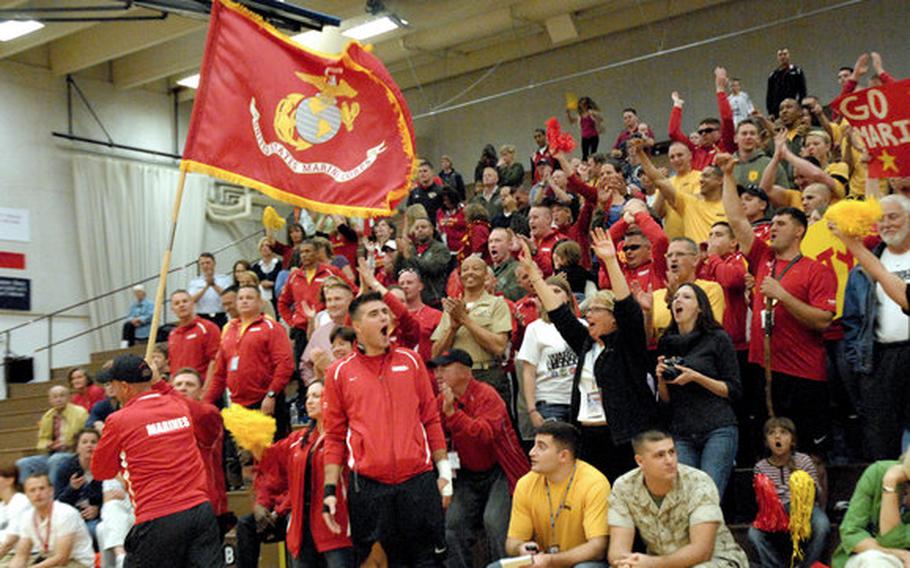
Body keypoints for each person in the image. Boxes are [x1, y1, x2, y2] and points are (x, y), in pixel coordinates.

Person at [719, 152, 837, 457]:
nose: (773, 228)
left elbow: (823, 321)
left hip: (804, 375)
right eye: (773, 224)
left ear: (799, 230)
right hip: (765, 370)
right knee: (770, 454)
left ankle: (814, 506)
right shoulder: (762, 257)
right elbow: (735, 219)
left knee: (810, 454)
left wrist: (783, 295)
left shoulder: (817, 269)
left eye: (782, 224)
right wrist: (728, 176)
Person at [519, 229, 660, 482]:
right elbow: (560, 314)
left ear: (614, 320)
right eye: (588, 310)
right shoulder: (586, 344)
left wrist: (610, 261)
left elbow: (628, 308)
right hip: (587, 438)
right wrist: (535, 277)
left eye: (596, 310)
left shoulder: (628, 345)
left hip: (623, 438)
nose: (588, 315)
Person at [322, 292, 452, 566]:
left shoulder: (412, 361)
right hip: (369, 488)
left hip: (418, 483)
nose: (384, 317)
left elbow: (431, 419)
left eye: (385, 312)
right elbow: (333, 437)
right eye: (374, 314)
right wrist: (329, 492)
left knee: (430, 561)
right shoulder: (339, 373)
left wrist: (445, 473)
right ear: (357, 327)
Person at [91, 355, 223, 567]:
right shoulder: (177, 405)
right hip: (200, 511)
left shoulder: (118, 420)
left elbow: (100, 471)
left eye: (112, 384)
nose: (111, 389)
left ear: (124, 387)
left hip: (158, 516)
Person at [430, 349, 529, 567]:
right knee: (452, 525)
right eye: (436, 369)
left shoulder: (487, 395)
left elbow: (485, 434)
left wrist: (453, 416)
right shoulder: (440, 401)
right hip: (465, 475)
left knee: (494, 521)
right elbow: (434, 439)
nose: (437, 374)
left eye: (444, 368)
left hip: (499, 472)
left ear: (465, 371)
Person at [608, 430, 749, 567]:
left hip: (716, 560)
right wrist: (626, 563)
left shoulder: (699, 482)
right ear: (640, 461)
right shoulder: (624, 486)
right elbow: (618, 551)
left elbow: (702, 551)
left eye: (672, 452)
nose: (669, 460)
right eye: (660, 455)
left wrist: (652, 564)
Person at [839, 195, 910, 459]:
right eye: (881, 219)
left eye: (894, 216)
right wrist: (862, 365)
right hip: (880, 359)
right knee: (881, 437)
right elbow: (852, 320)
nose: (886, 224)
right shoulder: (863, 268)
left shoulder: (870, 264)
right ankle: (889, 496)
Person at [655, 282, 741, 496]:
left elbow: (733, 390)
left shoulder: (718, 338)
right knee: (685, 498)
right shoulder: (666, 342)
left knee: (707, 497)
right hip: (682, 430)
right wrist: (661, 380)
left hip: (717, 427)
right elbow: (665, 400)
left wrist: (697, 377)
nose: (678, 301)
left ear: (700, 307)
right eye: (675, 298)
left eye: (686, 297)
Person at [497, 421, 609, 568]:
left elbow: (597, 548)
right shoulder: (525, 483)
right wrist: (520, 548)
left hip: (579, 562)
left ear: (563, 456)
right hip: (541, 562)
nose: (531, 452)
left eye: (541, 447)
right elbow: (512, 542)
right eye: (534, 445)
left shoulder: (594, 483)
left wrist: (552, 560)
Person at [206, 286, 294, 437]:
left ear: (260, 302)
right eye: (241, 298)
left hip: (266, 401)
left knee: (272, 453)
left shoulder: (271, 327)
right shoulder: (229, 330)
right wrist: (206, 402)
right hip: (238, 405)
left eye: (249, 298)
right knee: (244, 456)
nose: (244, 301)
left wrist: (271, 395)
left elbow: (285, 364)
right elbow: (219, 374)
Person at [748, 417, 830, 568]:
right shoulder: (761, 466)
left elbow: (817, 493)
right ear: (767, 442)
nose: (777, 437)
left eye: (783, 433)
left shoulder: (803, 460)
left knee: (822, 525)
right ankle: (775, 565)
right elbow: (761, 500)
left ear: (792, 441)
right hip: (775, 512)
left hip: (805, 509)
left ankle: (807, 565)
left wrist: (805, 486)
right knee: (754, 534)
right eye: (772, 433)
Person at [432, 256, 513, 407]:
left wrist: (465, 320)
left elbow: (499, 347)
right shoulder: (452, 307)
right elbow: (435, 353)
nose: (470, 273)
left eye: (476, 269)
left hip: (488, 375)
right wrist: (453, 328)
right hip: (457, 378)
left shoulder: (497, 304)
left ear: (486, 275)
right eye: (465, 269)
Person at [518, 275, 579, 426]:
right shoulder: (535, 328)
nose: (552, 295)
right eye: (548, 291)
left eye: (557, 291)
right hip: (550, 402)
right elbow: (528, 372)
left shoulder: (582, 325)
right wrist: (532, 410)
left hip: (580, 401)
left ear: (568, 297)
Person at [832, 450, 910, 568]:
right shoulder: (879, 472)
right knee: (875, 561)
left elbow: (891, 539)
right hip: (865, 556)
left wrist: (890, 484)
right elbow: (851, 532)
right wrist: (890, 483)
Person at [278, 238, 347, 366]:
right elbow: (282, 303)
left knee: (328, 363)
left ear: (317, 253)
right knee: (304, 367)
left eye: (308, 251)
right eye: (302, 252)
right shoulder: (294, 276)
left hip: (326, 326)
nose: (304, 255)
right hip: (301, 330)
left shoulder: (331, 272)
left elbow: (351, 291)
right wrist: (292, 321)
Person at [7, 473, 94, 568]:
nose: (37, 494)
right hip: (49, 561)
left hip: (77, 563)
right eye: (32, 490)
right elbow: (21, 556)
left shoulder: (65, 513)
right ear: (27, 495)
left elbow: (61, 558)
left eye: (42, 488)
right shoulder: (27, 517)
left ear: (51, 490)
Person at [16, 386, 88, 488]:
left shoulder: (80, 412)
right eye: (55, 397)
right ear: (50, 400)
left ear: (69, 397)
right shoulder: (48, 416)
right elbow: (42, 439)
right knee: (23, 463)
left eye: (62, 396)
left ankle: (51, 495)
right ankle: (28, 497)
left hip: (73, 454)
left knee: (55, 460)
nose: (58, 399)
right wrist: (48, 444)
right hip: (52, 454)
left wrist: (67, 443)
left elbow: (85, 436)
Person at [667, 67, 736, 171]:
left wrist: (720, 90)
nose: (703, 134)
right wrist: (677, 106)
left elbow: (727, 118)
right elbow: (673, 132)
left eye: (708, 130)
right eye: (700, 132)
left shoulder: (726, 145)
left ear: (719, 132)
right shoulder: (694, 151)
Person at [54, 429, 103, 541]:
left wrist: (98, 509)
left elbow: (113, 497)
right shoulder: (66, 468)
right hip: (71, 518)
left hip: (97, 518)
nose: (89, 445)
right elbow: (57, 504)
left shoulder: (105, 466)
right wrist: (72, 488)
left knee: (93, 530)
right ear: (77, 448)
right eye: (84, 442)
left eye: (93, 442)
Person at [396, 216, 452, 308]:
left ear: (431, 230)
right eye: (417, 228)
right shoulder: (411, 250)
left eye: (423, 227)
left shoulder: (440, 249)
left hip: (434, 301)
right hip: (413, 301)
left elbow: (433, 269)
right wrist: (400, 254)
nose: (420, 230)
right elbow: (397, 273)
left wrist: (409, 257)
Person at [166, 289, 221, 382]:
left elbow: (215, 362)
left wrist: (205, 391)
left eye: (185, 301)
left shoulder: (208, 328)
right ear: (172, 309)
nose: (181, 305)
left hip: (200, 388)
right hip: (179, 390)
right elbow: (172, 367)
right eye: (177, 303)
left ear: (192, 303)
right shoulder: (173, 335)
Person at [395, 268, 443, 362]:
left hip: (427, 369)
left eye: (409, 283)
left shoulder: (436, 315)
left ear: (420, 286)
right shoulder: (392, 316)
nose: (405, 286)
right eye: (401, 284)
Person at [187, 253, 232, 328]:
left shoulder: (224, 279)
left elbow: (229, 296)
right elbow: (191, 300)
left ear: (214, 263)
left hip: (220, 316)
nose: (205, 266)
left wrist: (213, 284)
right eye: (202, 264)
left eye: (208, 263)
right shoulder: (194, 282)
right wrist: (206, 287)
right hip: (202, 316)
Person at [0, 465, 31, 565]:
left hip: (21, 556)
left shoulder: (20, 501)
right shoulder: (2, 505)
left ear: (10, 480)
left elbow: (10, 542)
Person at [766, 47, 807, 117]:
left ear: (789, 55)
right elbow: (769, 96)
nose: (782, 57)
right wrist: (770, 112)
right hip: (778, 110)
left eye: (785, 54)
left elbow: (802, 91)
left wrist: (801, 106)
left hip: (793, 107)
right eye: (780, 55)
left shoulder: (797, 71)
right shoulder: (773, 75)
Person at [488, 228, 525, 302]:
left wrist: (490, 291)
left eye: (497, 241)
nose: (492, 245)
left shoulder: (517, 268)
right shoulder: (487, 271)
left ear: (510, 245)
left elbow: (516, 295)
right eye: (490, 242)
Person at [407, 159, 445, 225]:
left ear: (432, 172)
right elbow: (409, 213)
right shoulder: (414, 192)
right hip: (420, 229)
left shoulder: (441, 190)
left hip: (437, 227)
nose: (422, 174)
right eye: (420, 171)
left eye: (425, 171)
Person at [252, 237, 282, 313]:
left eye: (267, 245)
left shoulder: (279, 264)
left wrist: (273, 284)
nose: (264, 248)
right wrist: (260, 283)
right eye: (262, 246)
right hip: (262, 300)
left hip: (277, 299)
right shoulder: (255, 267)